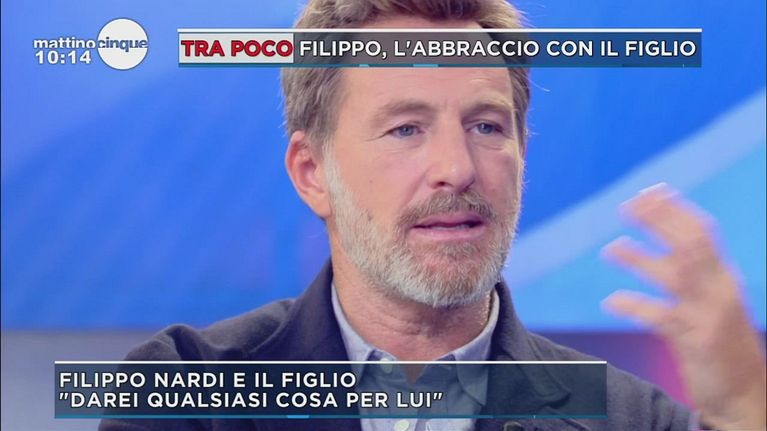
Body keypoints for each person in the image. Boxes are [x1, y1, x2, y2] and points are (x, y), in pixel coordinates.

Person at [100, 0, 767, 430]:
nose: (457, 167)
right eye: (406, 129)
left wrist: (743, 407)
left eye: (486, 126)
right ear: (312, 173)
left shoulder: (628, 419)